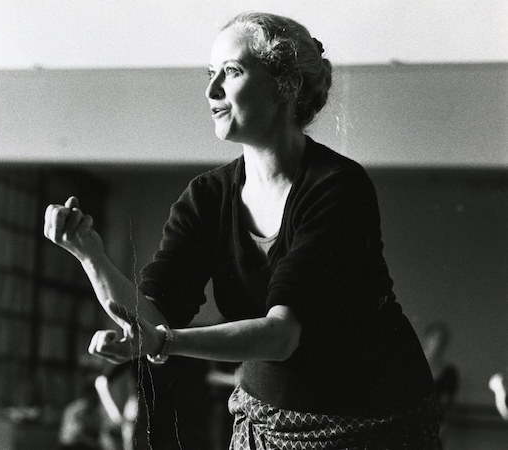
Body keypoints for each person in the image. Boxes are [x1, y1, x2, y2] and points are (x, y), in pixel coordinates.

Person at [44, 11, 441, 449]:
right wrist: (90, 256)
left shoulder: (337, 186)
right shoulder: (206, 198)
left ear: (284, 85)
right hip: (265, 421)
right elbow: (151, 317)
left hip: (374, 426)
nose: (211, 91)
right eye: (210, 73)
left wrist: (163, 341)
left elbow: (282, 334)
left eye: (231, 72)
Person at [422, 322, 459, 422]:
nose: (438, 343)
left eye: (442, 340)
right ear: (427, 339)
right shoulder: (412, 365)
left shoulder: (449, 372)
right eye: (435, 338)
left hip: (436, 425)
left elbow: (449, 405)